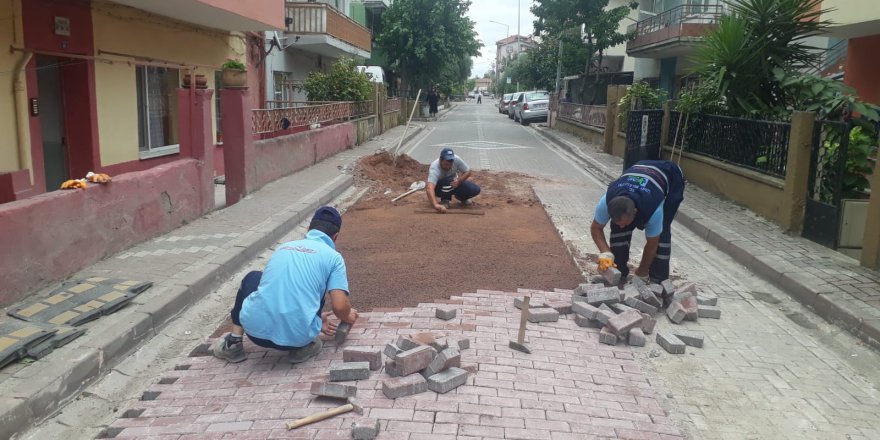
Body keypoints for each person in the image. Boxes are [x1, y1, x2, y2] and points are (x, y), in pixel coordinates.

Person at [212, 206, 358, 364]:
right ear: (335, 237)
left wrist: (317, 318)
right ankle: (304, 347)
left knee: (253, 277)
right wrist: (347, 316)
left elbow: (278, 289)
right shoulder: (334, 258)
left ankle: (233, 344)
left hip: (255, 333)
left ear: (308, 229)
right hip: (297, 339)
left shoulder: (282, 248)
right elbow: (339, 306)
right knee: (316, 284)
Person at [590, 160, 684, 286]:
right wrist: (605, 253)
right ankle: (618, 273)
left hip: (671, 177)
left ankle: (658, 281)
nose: (622, 225)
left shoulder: (654, 209)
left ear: (635, 212)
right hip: (639, 170)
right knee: (618, 229)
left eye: (625, 222)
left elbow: (652, 244)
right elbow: (596, 228)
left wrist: (641, 272)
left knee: (662, 232)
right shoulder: (606, 201)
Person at [425, 147, 481, 213]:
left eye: (450, 164)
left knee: (475, 189)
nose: (448, 167)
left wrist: (459, 181)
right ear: (440, 160)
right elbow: (429, 188)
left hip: (453, 184)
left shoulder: (456, 159)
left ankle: (461, 197)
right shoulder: (434, 168)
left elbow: (468, 171)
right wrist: (435, 205)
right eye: (446, 164)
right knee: (450, 179)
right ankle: (445, 200)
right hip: (439, 189)